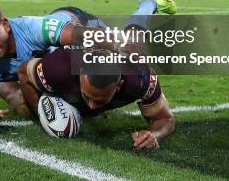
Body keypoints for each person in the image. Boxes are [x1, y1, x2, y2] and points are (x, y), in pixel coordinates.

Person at [0, 0, 176, 132]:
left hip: (79, 27)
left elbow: (81, 35)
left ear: (6, 25)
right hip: (48, 62)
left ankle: (148, 2)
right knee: (24, 106)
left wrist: (121, 45)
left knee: (130, 44)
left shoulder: (34, 29)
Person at [17, 47, 175, 150]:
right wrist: (40, 112)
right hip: (62, 44)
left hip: (112, 48)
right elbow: (23, 73)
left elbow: (165, 119)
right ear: (80, 76)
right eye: (88, 96)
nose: (92, 106)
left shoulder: (140, 80)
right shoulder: (59, 69)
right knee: (15, 99)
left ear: (118, 86)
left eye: (100, 100)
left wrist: (154, 134)